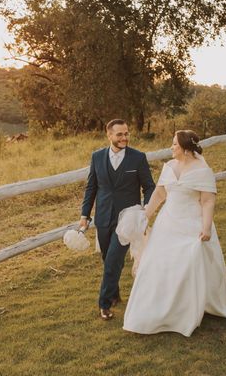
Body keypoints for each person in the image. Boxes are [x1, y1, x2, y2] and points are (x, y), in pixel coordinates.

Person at [123, 129, 226, 336]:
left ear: (185, 147)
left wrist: (206, 227)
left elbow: (208, 201)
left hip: (192, 222)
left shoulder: (202, 170)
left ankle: (184, 310)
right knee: (157, 263)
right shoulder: (169, 166)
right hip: (168, 222)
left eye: (174, 144)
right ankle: (153, 308)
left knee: (187, 263)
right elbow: (159, 194)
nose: (171, 148)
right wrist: (145, 215)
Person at [80, 119, 155, 320]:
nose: (124, 138)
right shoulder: (96, 157)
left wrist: (146, 209)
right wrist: (84, 216)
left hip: (129, 218)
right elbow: (91, 188)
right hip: (103, 216)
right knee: (108, 258)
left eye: (126, 134)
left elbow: (149, 186)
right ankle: (114, 294)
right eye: (120, 134)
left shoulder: (138, 158)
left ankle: (104, 304)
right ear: (109, 136)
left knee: (113, 258)